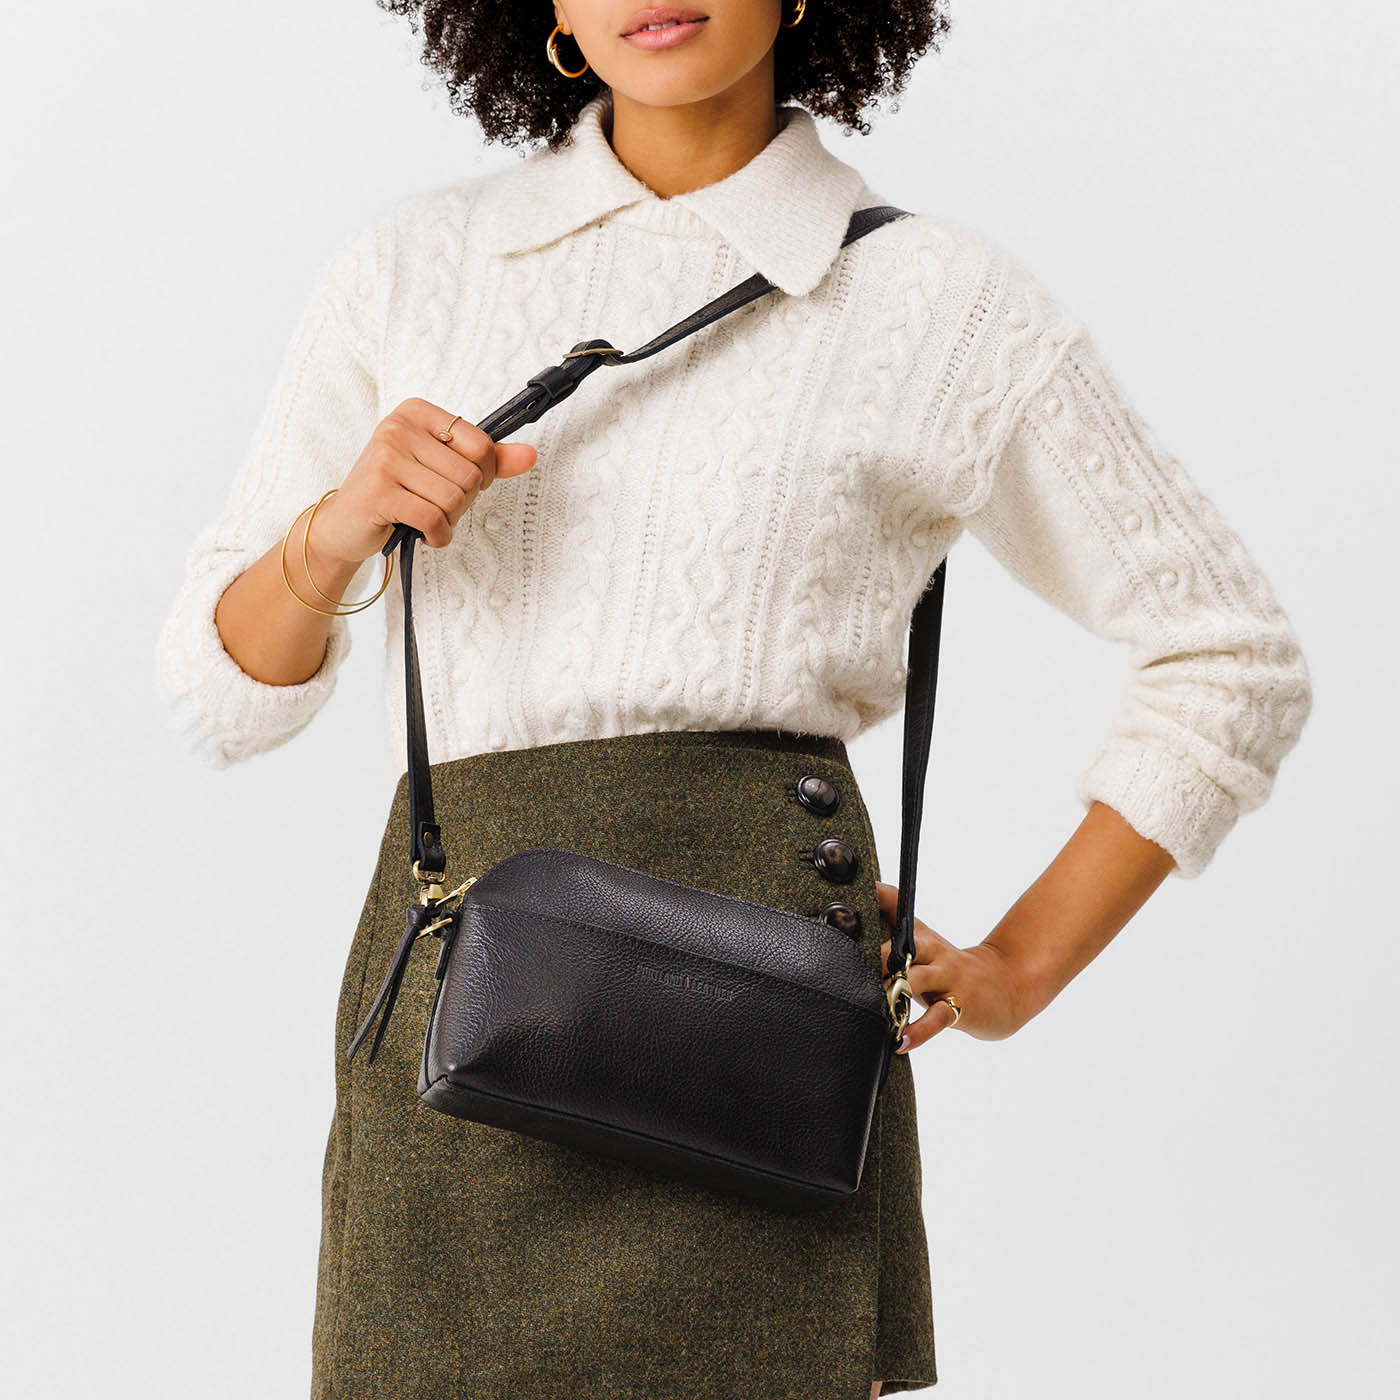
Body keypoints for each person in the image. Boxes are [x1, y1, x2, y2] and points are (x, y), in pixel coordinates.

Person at [152, 3, 1314, 1397]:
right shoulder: (412, 271)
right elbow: (227, 695)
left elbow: (1229, 653)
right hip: (466, 1034)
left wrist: (1022, 967)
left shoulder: (946, 305)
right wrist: (337, 530)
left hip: (761, 1035)